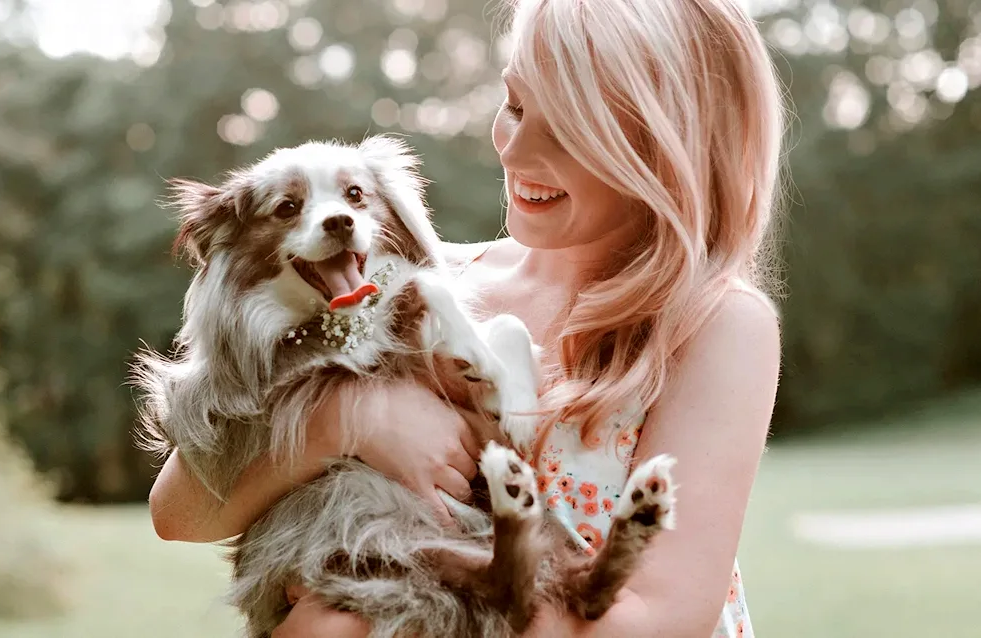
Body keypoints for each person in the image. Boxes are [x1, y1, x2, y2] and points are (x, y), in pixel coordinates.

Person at [148, 0, 785, 636]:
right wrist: (347, 419)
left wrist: (359, 620)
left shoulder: (715, 325)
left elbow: (661, 620)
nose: (516, 148)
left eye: (567, 130)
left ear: (667, 143)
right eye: (514, 106)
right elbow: (180, 512)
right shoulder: (422, 283)